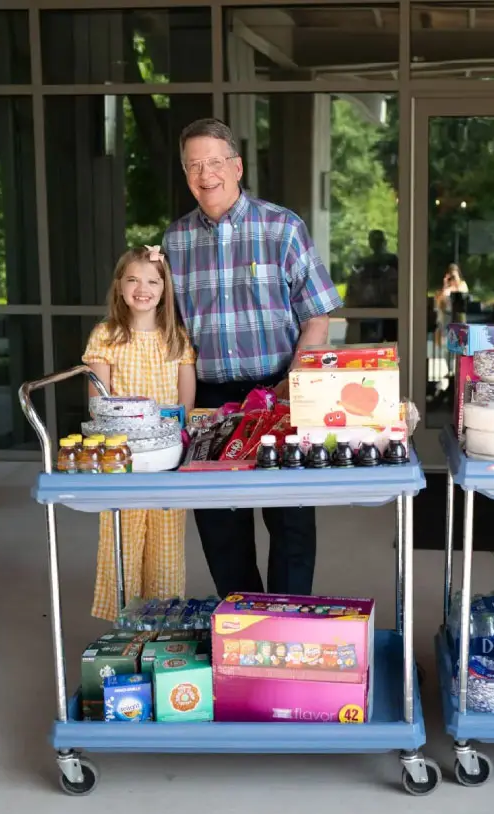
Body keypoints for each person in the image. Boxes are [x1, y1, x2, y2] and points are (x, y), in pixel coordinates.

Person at [162, 117, 342, 599]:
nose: (206, 173)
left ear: (237, 166)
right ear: (185, 174)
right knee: (221, 528)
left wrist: (291, 385)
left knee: (291, 523)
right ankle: (244, 623)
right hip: (211, 399)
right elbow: (170, 332)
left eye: (215, 162)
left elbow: (317, 318)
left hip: (280, 390)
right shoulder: (174, 242)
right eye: (194, 165)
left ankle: (285, 622)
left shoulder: (282, 227)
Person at [82, 245, 197, 620]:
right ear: (119, 286)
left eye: (152, 280)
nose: (142, 288)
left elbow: (186, 407)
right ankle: (123, 627)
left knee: (166, 547)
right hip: (123, 460)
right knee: (123, 542)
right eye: (132, 279)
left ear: (165, 290)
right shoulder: (106, 336)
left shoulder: (177, 338)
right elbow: (98, 403)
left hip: (166, 460)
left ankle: (162, 626)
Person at [345, 229, 398, 344]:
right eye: (374, 240)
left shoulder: (392, 262)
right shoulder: (363, 264)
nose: (376, 243)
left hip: (389, 311)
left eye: (378, 240)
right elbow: (353, 287)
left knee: (392, 348)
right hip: (370, 312)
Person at [434, 263, 469, 347]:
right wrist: (445, 285)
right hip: (447, 319)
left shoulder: (462, 285)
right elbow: (438, 302)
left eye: (454, 277)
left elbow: (463, 291)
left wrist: (455, 284)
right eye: (451, 278)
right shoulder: (446, 290)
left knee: (460, 342)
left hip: (458, 317)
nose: (452, 280)